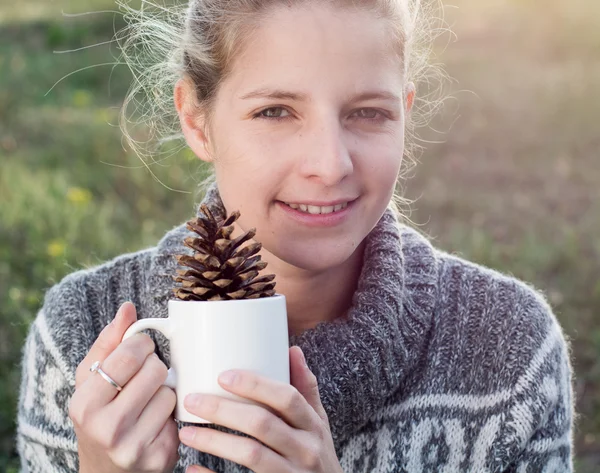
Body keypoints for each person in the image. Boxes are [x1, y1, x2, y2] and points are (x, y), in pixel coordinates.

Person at [16, 0, 574, 472]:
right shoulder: (80, 339)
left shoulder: (508, 350)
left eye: (368, 113)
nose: (329, 165)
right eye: (276, 111)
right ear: (196, 120)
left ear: (404, 114)